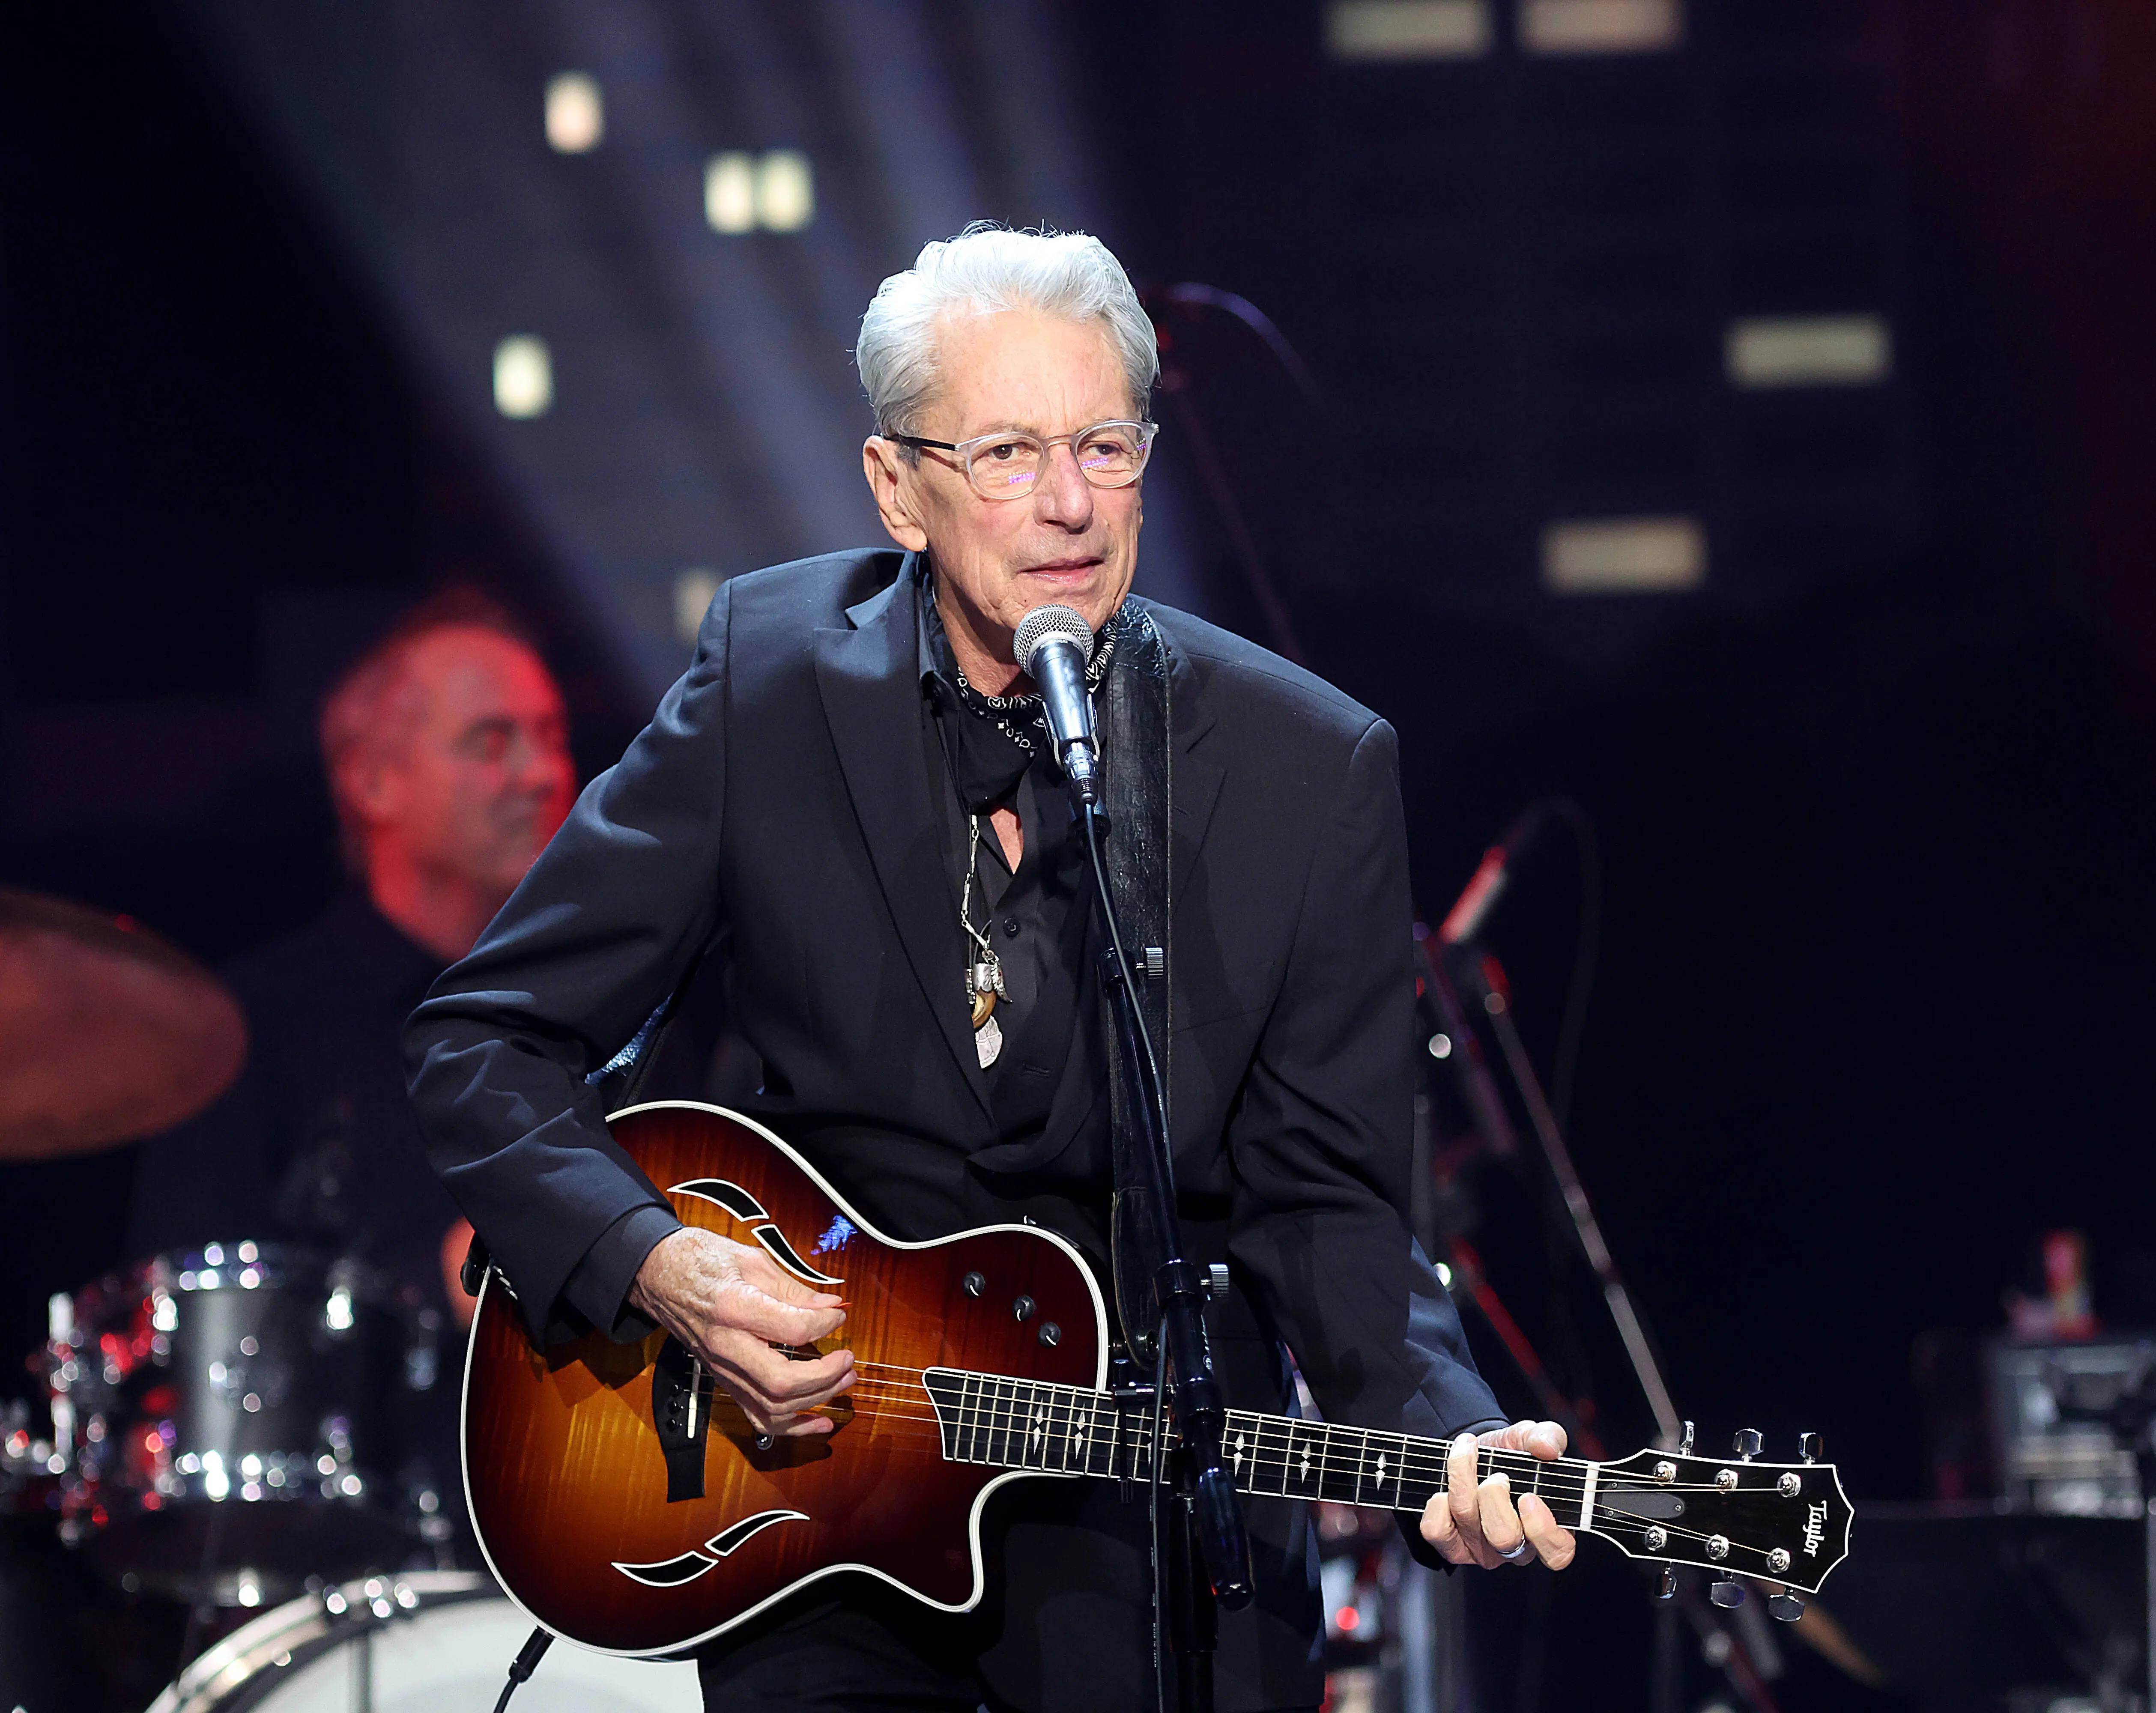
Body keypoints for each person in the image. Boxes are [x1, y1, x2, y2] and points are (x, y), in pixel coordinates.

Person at [405, 225, 1576, 1713]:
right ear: (898, 486)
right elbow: (482, 1041)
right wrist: (661, 1263)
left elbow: (1330, 1204)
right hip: (808, 1492)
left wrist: (1443, 1432)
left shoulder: (1307, 767)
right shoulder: (767, 686)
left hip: (1145, 1508)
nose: (1070, 506)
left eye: (1103, 445)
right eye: (1008, 454)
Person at [128, 588, 578, 1538]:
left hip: (613, 1526)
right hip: (356, 1558)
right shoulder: (247, 1027)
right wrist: (439, 1284)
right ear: (373, 782)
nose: (542, 773)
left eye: (549, 734)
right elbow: (197, 1343)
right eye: (491, 741)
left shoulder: (626, 1010)